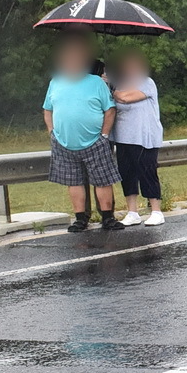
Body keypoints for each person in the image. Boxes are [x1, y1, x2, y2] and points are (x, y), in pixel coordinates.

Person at [43, 37, 124, 232]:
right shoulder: (55, 82)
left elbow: (110, 110)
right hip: (64, 143)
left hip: (95, 141)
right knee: (73, 182)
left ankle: (108, 218)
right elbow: (47, 109)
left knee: (103, 180)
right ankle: (80, 219)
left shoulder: (96, 82)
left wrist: (104, 135)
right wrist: (52, 132)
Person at [110, 49, 165, 226]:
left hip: (144, 137)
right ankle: (132, 212)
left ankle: (156, 210)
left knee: (147, 172)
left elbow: (125, 98)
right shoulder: (119, 84)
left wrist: (109, 88)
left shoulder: (146, 83)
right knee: (127, 174)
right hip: (123, 137)